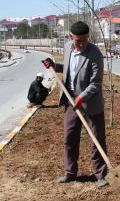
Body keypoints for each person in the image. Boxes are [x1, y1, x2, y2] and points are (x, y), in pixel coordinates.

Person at [42, 21, 108, 188]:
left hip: (90, 103)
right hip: (70, 101)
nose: (81, 44)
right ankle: (70, 172)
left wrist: (82, 97)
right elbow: (69, 70)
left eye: (84, 40)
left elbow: (96, 83)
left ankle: (100, 175)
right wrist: (54, 65)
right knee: (69, 138)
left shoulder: (95, 54)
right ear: (71, 37)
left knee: (96, 140)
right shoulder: (67, 48)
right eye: (78, 41)